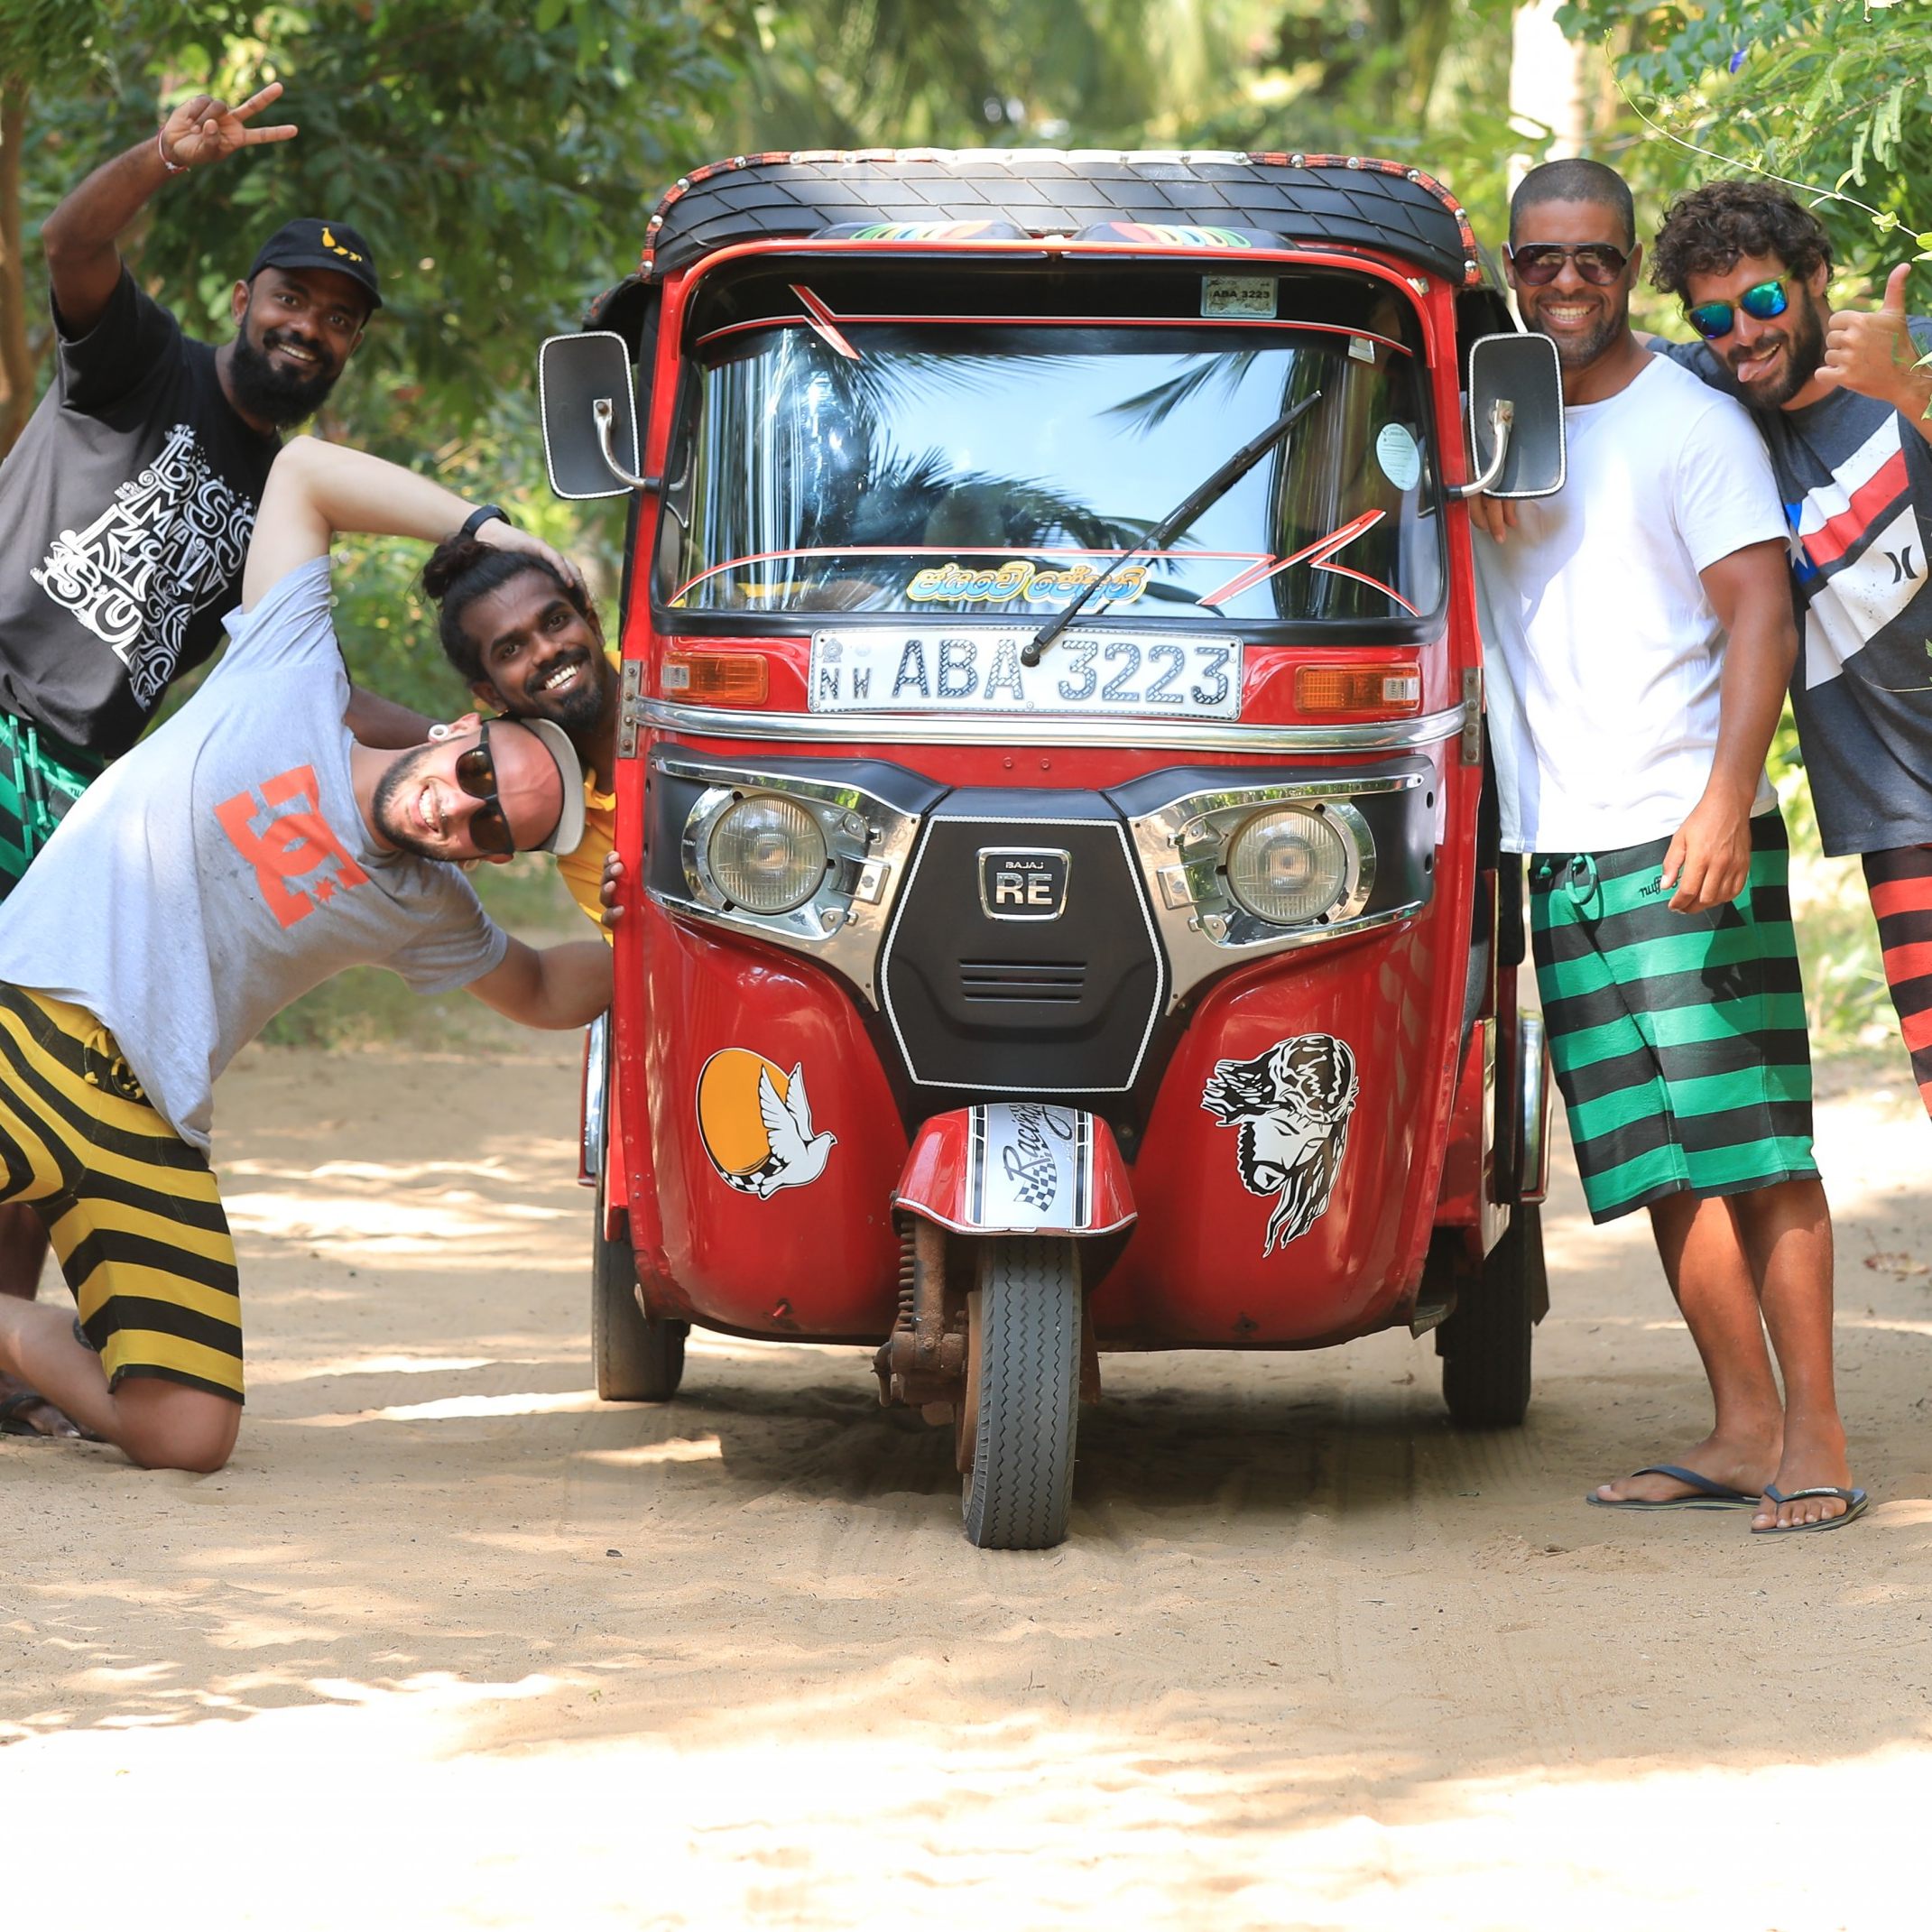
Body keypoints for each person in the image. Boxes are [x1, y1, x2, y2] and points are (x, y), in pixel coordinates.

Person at [0, 436, 614, 1475]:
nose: (461, 808)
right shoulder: (288, 671)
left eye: (495, 829)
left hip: (144, 1115)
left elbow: (551, 988)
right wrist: (493, 531)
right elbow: (304, 474)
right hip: (28, 1017)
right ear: (462, 722)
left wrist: (679, 931)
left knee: (186, 1431)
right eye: (477, 772)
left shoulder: (424, 904)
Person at [0, 80, 431, 1429]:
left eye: (337, 319)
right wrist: (160, 157)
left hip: (82, 791)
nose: (308, 327)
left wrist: (474, 744)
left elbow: (313, 696)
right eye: (292, 300)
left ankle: (9, 1367)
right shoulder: (149, 362)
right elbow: (70, 248)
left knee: (43, 1048)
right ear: (249, 298)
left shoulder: (287, 498)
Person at [1474, 159, 1863, 1533]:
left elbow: (1759, 612)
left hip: (1684, 829)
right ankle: (1742, 1424)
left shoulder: (1689, 417)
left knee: (1751, 1143)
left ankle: (1814, 1434)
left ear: (1628, 267)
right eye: (1539, 261)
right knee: (1654, 1158)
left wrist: (1723, 796)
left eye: (1592, 258)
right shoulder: (1495, 423)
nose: (1565, 282)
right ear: (1511, 269)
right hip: (1560, 841)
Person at [1647, 180, 1932, 1123]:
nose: (1743, 334)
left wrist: (1911, 396)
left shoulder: (1910, 353)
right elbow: (1584, 350)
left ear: (1815, 279)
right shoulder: (1718, 415)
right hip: (1905, 822)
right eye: (1716, 317)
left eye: (1764, 301)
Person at [427, 539, 621, 935]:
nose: (547, 651)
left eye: (555, 622)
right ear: (491, 695)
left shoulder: (690, 670)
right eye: (511, 650)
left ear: (593, 624)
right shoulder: (580, 847)